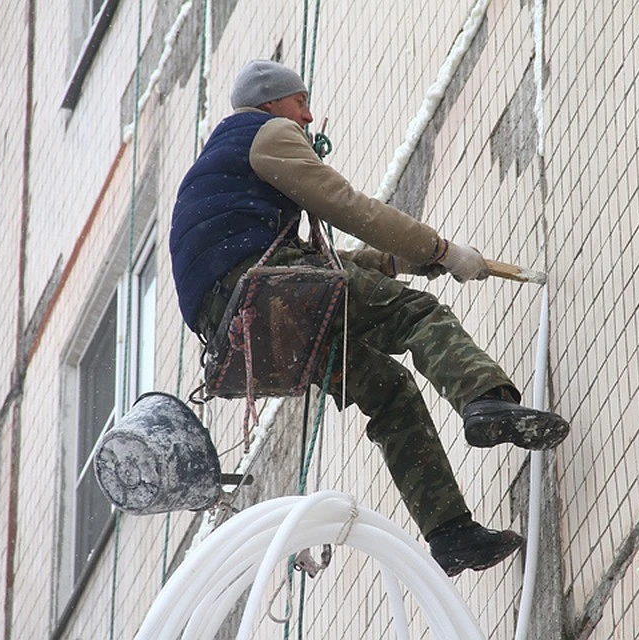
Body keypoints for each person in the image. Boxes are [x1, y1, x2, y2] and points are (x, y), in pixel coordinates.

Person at [169, 59, 570, 576]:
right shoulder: (265, 134)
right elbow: (346, 205)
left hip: (244, 324)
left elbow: (314, 263)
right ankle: (486, 403)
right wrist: (441, 248)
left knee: (387, 388)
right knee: (414, 314)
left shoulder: (224, 172)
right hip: (262, 288)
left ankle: (451, 533)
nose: (308, 117)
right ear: (271, 104)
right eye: (300, 103)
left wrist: (401, 262)